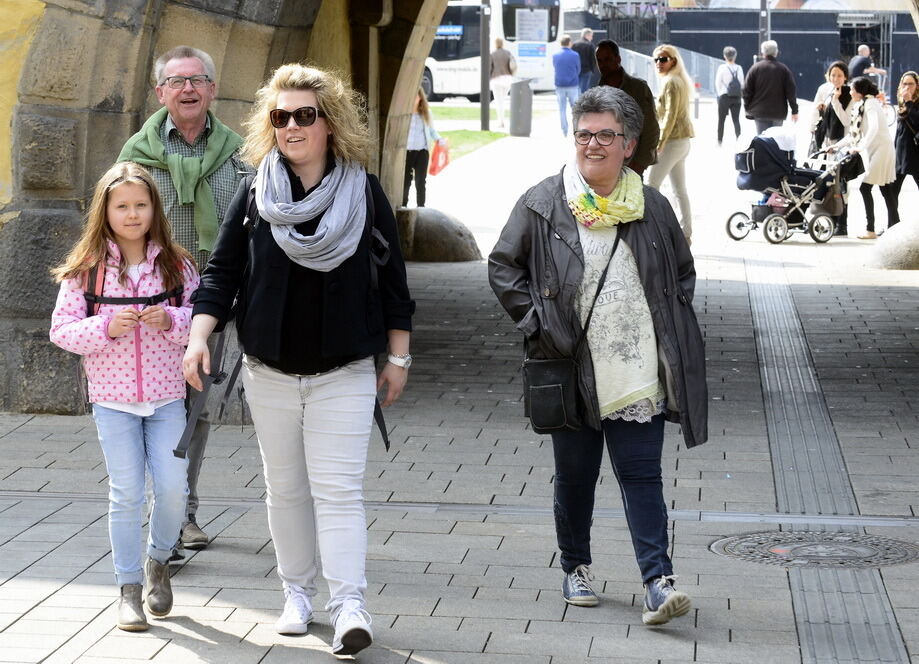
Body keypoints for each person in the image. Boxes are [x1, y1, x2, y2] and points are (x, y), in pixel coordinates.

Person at [183, 63, 414, 656]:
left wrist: (398, 358)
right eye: (280, 116)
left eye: (304, 115)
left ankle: (349, 606)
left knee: (338, 492)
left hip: (344, 371)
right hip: (270, 372)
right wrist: (198, 336)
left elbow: (393, 284)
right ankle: (296, 594)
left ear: (329, 124)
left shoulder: (363, 192)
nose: (291, 126)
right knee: (285, 491)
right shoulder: (257, 191)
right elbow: (223, 272)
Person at [488, 86, 707, 626]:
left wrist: (670, 327)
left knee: (642, 476)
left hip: (636, 372)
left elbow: (683, 271)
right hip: (572, 368)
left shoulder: (652, 207)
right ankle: (576, 566)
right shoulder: (543, 203)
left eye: (605, 135)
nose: (592, 144)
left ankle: (658, 582)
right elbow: (502, 266)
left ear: (629, 145)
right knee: (576, 477)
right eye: (584, 133)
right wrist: (539, 322)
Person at [49, 162, 200, 632]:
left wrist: (173, 322)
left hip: (167, 397)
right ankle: (129, 589)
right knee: (127, 493)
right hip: (112, 401)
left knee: (174, 489)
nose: (132, 214)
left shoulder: (177, 266)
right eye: (122, 206)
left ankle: (159, 561)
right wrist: (105, 326)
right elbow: (62, 331)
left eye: (141, 204)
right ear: (106, 211)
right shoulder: (86, 273)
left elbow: (200, 320)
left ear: (155, 208)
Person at [118, 45, 249, 553]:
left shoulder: (243, 155)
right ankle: (155, 508)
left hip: (210, 303)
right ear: (160, 92)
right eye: (177, 81)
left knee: (195, 408)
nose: (188, 89)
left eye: (197, 80)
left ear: (213, 90)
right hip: (150, 304)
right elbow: (116, 226)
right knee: (148, 406)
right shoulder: (136, 155)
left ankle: (182, 513)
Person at [828, 76, 896, 239]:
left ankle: (870, 229)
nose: (849, 91)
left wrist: (860, 147)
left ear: (859, 91)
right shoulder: (861, 105)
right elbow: (853, 134)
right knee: (886, 190)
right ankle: (895, 225)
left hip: (882, 150)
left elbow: (874, 128)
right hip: (874, 150)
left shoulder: (871, 104)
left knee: (866, 188)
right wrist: (836, 146)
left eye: (852, 89)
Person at [648, 45, 695, 244]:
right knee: (679, 190)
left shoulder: (671, 82)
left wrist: (660, 141)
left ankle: (653, 229)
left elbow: (670, 116)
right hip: (681, 142)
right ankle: (685, 233)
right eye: (656, 59)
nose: (659, 63)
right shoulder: (678, 80)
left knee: (650, 185)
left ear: (673, 60)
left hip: (673, 142)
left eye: (663, 59)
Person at [595, 39, 659, 177]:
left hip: (631, 166)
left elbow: (650, 129)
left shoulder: (638, 89)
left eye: (607, 59)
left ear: (618, 59)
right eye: (599, 60)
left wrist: (640, 164)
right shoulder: (596, 93)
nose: (603, 65)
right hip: (603, 168)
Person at [811, 61, 854, 236]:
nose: (835, 78)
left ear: (845, 77)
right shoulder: (825, 91)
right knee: (826, 184)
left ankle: (842, 225)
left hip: (842, 145)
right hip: (827, 143)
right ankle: (829, 221)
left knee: (842, 186)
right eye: (832, 75)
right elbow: (819, 117)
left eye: (839, 75)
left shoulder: (849, 94)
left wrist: (835, 102)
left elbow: (846, 122)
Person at [742, 40, 799, 134]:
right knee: (775, 141)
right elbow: (791, 92)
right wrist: (794, 110)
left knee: (762, 141)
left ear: (763, 52)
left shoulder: (755, 68)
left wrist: (748, 107)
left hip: (760, 112)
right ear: (776, 52)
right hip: (778, 112)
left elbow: (746, 90)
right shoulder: (783, 69)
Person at [403, 87, 444, 207]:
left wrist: (439, 139)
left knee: (421, 181)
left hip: (422, 151)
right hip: (408, 151)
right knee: (406, 181)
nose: (414, 99)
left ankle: (421, 206)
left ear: (420, 97)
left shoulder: (426, 113)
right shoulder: (405, 113)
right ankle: (403, 205)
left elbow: (431, 130)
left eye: (416, 96)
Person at [893, 71, 919, 213]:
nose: (907, 87)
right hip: (901, 153)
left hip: (916, 152)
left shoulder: (911, 101)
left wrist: (909, 102)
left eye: (911, 84)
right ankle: (892, 224)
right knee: (892, 191)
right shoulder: (901, 101)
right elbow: (900, 130)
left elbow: (917, 121)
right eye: (904, 84)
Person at [715, 46, 744, 145]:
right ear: (735, 56)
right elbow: (742, 83)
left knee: (721, 120)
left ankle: (720, 141)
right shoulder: (739, 68)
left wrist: (720, 94)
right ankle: (739, 140)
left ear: (724, 56)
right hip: (736, 97)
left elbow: (718, 83)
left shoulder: (722, 68)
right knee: (736, 120)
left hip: (724, 96)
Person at [553, 36, 582, 137]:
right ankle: (576, 130)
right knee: (575, 108)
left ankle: (564, 130)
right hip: (572, 84)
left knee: (562, 108)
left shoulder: (555, 55)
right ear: (569, 43)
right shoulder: (575, 55)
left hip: (560, 84)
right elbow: (578, 69)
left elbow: (555, 67)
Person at [490, 37, 516, 128]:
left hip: (496, 79)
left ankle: (501, 122)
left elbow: (489, 68)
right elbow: (513, 65)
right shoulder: (508, 53)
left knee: (498, 101)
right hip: (507, 79)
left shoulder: (493, 54)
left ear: (495, 44)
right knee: (503, 100)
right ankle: (502, 120)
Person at [572, 28, 600, 94]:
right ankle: (583, 102)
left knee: (577, 88)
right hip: (587, 70)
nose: (592, 38)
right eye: (591, 36)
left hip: (576, 70)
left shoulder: (574, 44)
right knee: (584, 89)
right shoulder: (590, 45)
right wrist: (592, 70)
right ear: (586, 35)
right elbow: (593, 59)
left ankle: (577, 101)